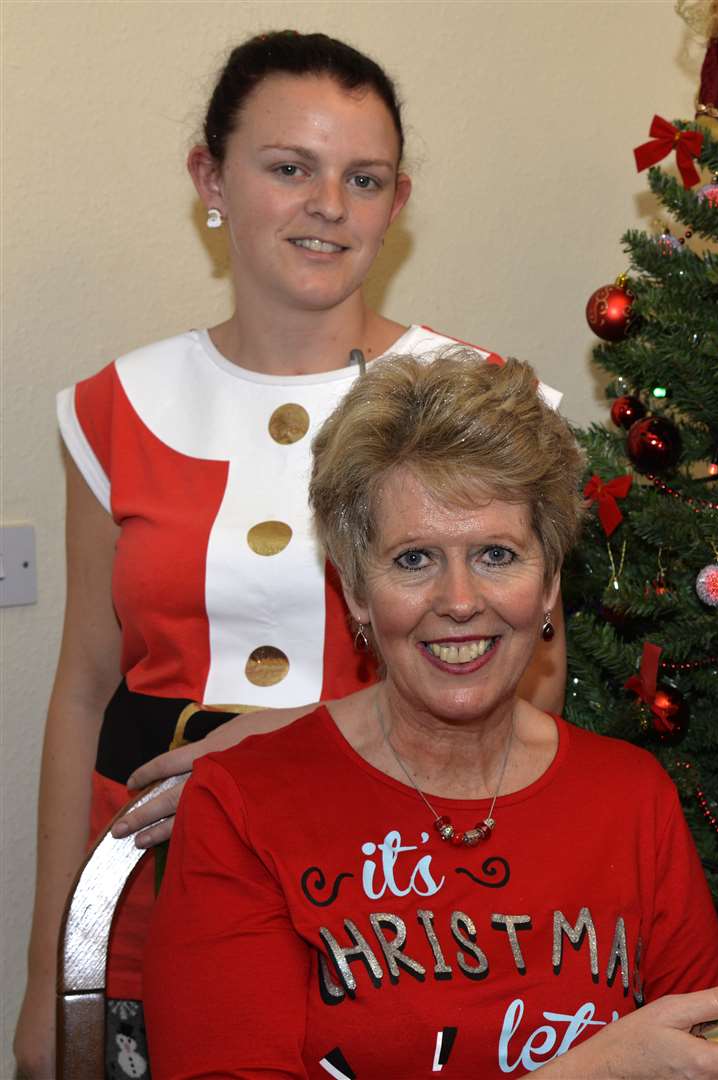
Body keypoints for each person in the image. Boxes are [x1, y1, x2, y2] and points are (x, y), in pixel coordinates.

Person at [16, 31, 564, 1078]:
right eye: (288, 169)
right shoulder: (111, 408)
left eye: (363, 179)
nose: (329, 205)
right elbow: (81, 691)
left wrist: (302, 745)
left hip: (399, 914)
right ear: (209, 178)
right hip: (143, 916)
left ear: (395, 205)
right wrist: (51, 972)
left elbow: (536, 679)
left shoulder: (485, 400)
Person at [142, 353, 718, 1079]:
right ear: (356, 591)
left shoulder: (630, 797)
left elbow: (714, 1059)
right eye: (415, 559)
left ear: (548, 584)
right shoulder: (243, 806)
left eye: (495, 553)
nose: (458, 600)